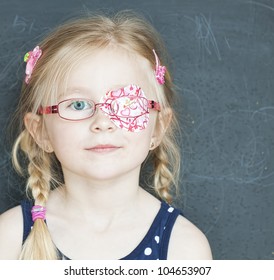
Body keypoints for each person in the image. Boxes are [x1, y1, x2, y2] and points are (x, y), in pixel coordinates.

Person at [0, 10, 212, 260]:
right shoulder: (10, 238)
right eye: (78, 104)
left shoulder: (184, 247)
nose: (102, 123)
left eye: (126, 103)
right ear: (41, 131)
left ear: (158, 128)